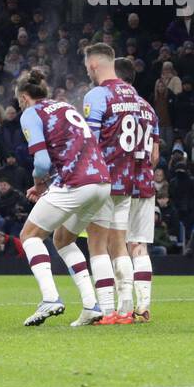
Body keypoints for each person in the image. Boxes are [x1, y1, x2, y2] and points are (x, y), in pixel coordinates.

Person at [15, 68, 112, 328]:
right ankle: (92, 305)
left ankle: (50, 298)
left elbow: (42, 162)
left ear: (24, 97)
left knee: (29, 236)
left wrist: (38, 184)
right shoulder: (64, 106)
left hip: (76, 182)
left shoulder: (30, 113)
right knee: (63, 239)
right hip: (102, 182)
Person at [68, 42, 145, 324]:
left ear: (93, 65)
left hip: (103, 179)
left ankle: (107, 310)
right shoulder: (132, 93)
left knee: (98, 245)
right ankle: (126, 310)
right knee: (120, 244)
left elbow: (91, 142)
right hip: (127, 178)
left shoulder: (97, 95)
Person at [115, 57, 161, 322]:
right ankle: (143, 306)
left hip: (119, 182)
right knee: (139, 245)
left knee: (115, 246)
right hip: (144, 181)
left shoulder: (115, 105)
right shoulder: (148, 109)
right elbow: (154, 156)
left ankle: (122, 308)